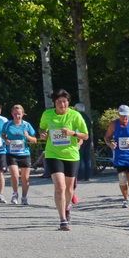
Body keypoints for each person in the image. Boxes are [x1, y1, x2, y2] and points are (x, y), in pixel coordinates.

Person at [39, 90, 89, 230]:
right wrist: (42, 134)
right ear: (55, 103)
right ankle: (62, 220)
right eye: (59, 102)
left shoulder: (75, 115)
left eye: (65, 101)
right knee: (60, 187)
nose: (62, 104)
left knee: (69, 188)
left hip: (71, 155)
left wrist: (72, 133)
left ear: (68, 102)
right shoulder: (47, 115)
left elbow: (85, 135)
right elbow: (42, 129)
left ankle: (67, 207)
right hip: (53, 154)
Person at [107, 104, 129, 205]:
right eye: (123, 116)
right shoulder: (114, 124)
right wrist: (110, 143)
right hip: (119, 155)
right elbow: (107, 137)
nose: (125, 118)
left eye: (127, 115)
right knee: (122, 178)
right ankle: (126, 198)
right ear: (119, 114)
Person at [3, 103, 34, 205]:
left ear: (22, 114)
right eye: (15, 114)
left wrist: (28, 136)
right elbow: (3, 135)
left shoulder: (26, 125)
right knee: (15, 175)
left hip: (24, 153)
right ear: (12, 114)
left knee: (25, 178)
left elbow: (34, 140)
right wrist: (6, 140)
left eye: (19, 114)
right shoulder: (7, 124)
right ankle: (15, 193)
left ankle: (24, 197)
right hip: (11, 153)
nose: (17, 116)